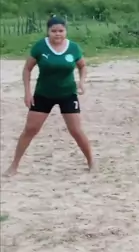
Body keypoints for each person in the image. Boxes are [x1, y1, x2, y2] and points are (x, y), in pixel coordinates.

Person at [5, 16, 94, 175]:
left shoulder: (73, 48)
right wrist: (27, 92)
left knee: (76, 130)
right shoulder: (40, 47)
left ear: (65, 31)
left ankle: (91, 162)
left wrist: (81, 82)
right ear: (48, 31)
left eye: (61, 31)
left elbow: (82, 66)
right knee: (30, 129)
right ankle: (14, 165)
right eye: (54, 31)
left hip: (67, 94)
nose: (57, 34)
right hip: (43, 94)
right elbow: (27, 69)